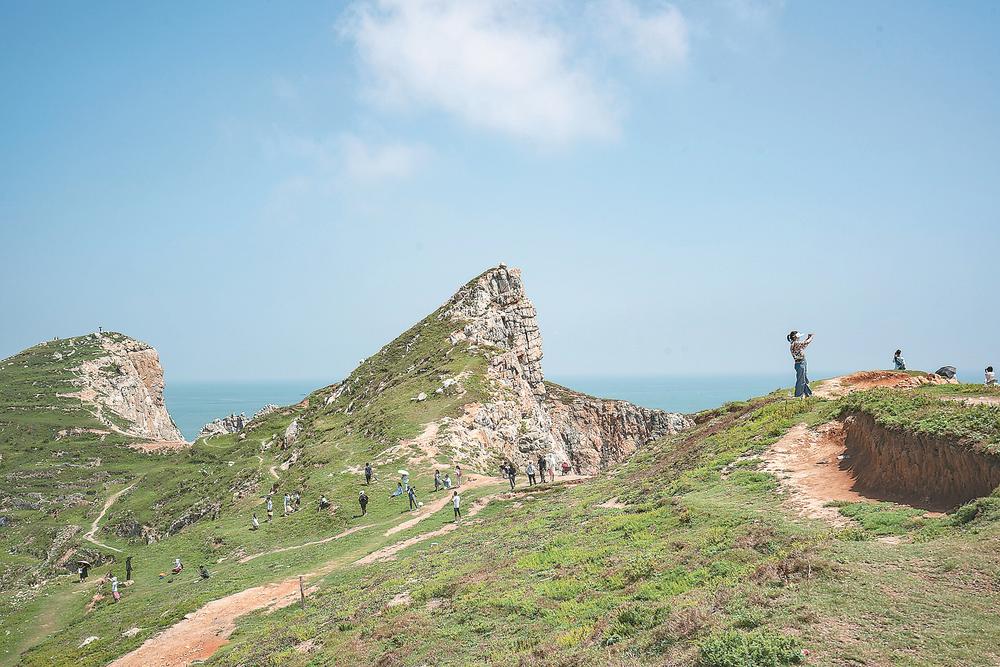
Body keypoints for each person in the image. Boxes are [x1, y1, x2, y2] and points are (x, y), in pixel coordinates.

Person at [788, 331, 814, 398]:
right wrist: (811, 337)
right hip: (800, 363)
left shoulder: (795, 344)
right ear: (795, 337)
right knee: (801, 381)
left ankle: (808, 394)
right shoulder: (795, 343)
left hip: (801, 362)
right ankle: (798, 396)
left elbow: (803, 345)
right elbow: (805, 343)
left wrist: (808, 338)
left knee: (804, 379)